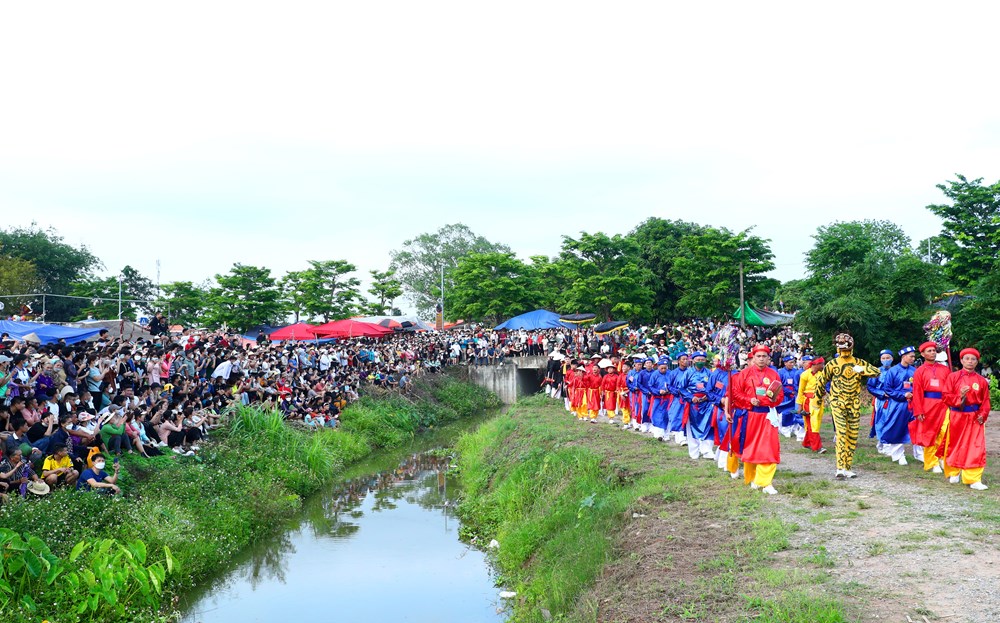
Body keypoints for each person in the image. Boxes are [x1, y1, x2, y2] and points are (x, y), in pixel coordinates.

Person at [813, 334, 880, 479]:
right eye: (840, 345)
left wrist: (860, 370)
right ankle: (840, 467)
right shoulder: (832, 364)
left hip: (854, 403)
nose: (843, 349)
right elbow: (821, 381)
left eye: (845, 345)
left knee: (852, 436)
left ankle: (848, 467)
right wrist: (817, 400)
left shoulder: (858, 362)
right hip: (838, 402)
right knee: (841, 433)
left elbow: (876, 372)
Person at [730, 344, 782, 494]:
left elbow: (780, 396)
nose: (761, 359)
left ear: (768, 358)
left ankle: (766, 483)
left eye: (764, 356)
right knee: (750, 448)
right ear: (753, 357)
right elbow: (736, 393)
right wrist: (749, 399)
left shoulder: (774, 374)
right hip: (750, 415)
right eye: (758, 356)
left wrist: (770, 401)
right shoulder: (744, 374)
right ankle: (754, 478)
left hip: (767, 415)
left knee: (769, 448)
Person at [942, 348, 990, 490]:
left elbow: (986, 401)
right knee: (955, 444)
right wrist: (960, 396)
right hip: (957, 416)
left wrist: (983, 414)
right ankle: (954, 471)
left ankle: (973, 479)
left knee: (976, 447)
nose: (970, 361)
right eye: (967, 359)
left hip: (975, 417)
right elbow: (945, 397)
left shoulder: (981, 380)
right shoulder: (953, 377)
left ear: (977, 361)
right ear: (962, 360)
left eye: (973, 359)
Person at [910, 341, 951, 473]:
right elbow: (916, 392)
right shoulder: (919, 371)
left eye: (934, 350)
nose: (932, 353)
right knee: (929, 434)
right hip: (927, 405)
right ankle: (932, 462)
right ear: (922, 354)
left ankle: (942, 458)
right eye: (929, 351)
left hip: (944, 405)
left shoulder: (945, 369)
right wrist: (919, 410)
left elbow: (951, 387)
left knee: (945, 432)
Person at [874, 347, 915, 466]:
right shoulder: (893, 371)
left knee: (915, 428)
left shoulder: (914, 371)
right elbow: (888, 389)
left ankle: (920, 454)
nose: (913, 358)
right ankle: (898, 455)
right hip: (897, 404)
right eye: (911, 356)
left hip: (912, 403)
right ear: (904, 357)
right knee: (896, 427)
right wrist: (902, 394)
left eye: (913, 356)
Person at [683, 352, 715, 460]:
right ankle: (694, 451)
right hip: (693, 403)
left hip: (706, 403)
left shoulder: (709, 373)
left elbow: (713, 388)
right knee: (691, 427)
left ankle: (707, 450)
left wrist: (708, 396)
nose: (700, 362)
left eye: (702, 360)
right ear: (693, 360)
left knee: (708, 426)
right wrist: (691, 397)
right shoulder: (688, 373)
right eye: (698, 359)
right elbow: (681, 388)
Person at [796, 356, 827, 454]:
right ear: (816, 364)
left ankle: (807, 442)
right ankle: (817, 447)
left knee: (814, 423)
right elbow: (800, 391)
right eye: (822, 364)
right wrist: (799, 405)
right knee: (813, 424)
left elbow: (823, 389)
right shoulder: (804, 375)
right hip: (808, 401)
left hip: (818, 401)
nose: (823, 366)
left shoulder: (822, 374)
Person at [867, 349, 895, 451]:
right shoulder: (876, 372)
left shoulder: (896, 371)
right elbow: (870, 387)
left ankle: (889, 442)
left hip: (894, 400)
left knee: (892, 420)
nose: (886, 360)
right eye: (883, 358)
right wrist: (882, 394)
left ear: (892, 359)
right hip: (881, 400)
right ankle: (882, 442)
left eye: (888, 358)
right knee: (880, 420)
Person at [777, 355, 803, 440]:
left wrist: (796, 391)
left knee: (794, 411)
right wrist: (788, 392)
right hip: (785, 395)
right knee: (784, 412)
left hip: (794, 395)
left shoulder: (796, 371)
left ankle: (794, 427)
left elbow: (797, 383)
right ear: (785, 363)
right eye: (790, 362)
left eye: (793, 362)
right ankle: (783, 428)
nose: (792, 364)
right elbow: (779, 385)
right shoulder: (780, 372)